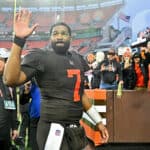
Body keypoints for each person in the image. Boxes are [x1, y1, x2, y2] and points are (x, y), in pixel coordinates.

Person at [4, 9, 109, 150]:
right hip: (52, 129)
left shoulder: (78, 59)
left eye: (64, 33)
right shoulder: (41, 57)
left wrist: (98, 122)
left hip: (75, 127)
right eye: (55, 33)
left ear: (71, 38)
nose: (59, 36)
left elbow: (80, 94)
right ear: (50, 38)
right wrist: (19, 40)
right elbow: (10, 79)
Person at [0, 48, 19, 150]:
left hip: (5, 132)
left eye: (2, 60)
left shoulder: (9, 83)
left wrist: (15, 127)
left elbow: (12, 106)